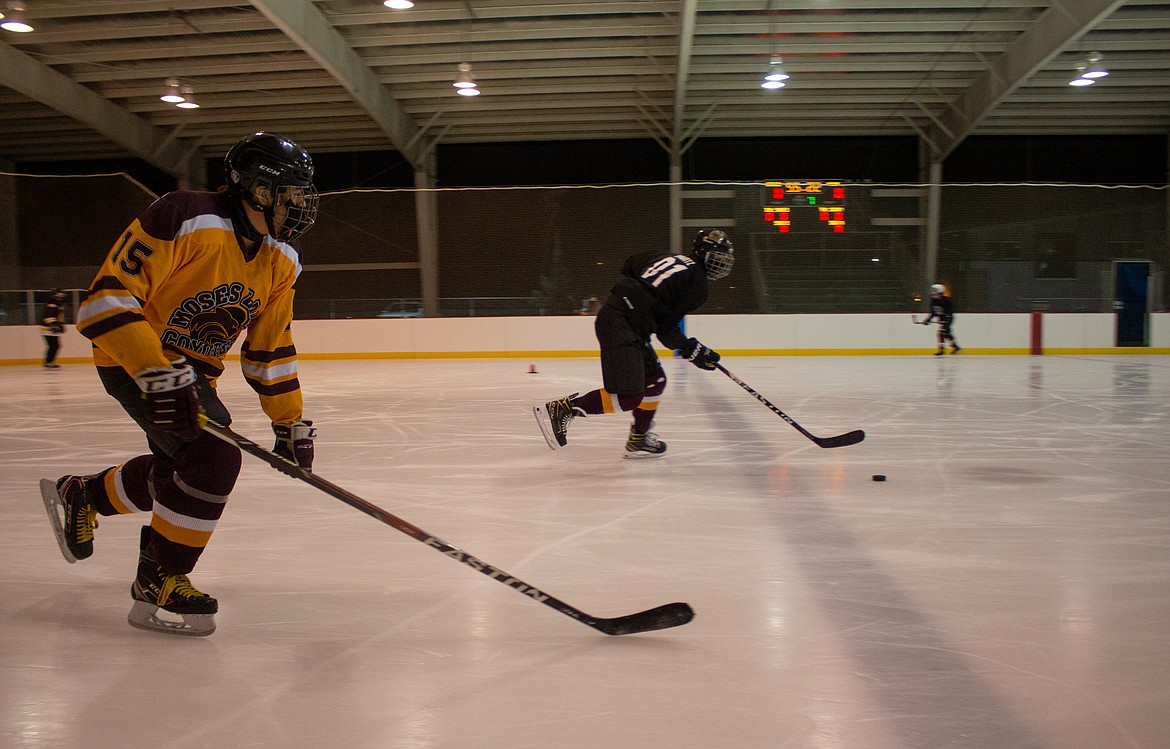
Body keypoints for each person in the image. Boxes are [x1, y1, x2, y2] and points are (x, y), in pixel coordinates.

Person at [38, 132, 320, 636]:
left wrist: (290, 421)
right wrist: (157, 375)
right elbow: (107, 299)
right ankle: (160, 577)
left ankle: (86, 494)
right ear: (252, 189)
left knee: (184, 466)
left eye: (301, 193)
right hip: (135, 358)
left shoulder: (284, 257)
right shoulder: (185, 216)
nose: (297, 205)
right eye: (287, 192)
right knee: (214, 457)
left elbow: (270, 346)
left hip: (194, 375)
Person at [533, 228, 734, 458]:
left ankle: (638, 438)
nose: (721, 263)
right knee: (628, 398)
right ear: (703, 253)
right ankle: (562, 410)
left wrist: (643, 300)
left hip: (621, 319)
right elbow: (667, 332)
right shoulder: (698, 284)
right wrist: (696, 351)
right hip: (622, 324)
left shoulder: (667, 256)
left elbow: (630, 264)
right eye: (717, 257)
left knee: (655, 381)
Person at [921, 283, 961, 355]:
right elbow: (933, 312)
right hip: (942, 319)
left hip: (948, 318)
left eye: (935, 290)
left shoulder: (946, 300)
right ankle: (955, 347)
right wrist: (928, 320)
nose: (933, 292)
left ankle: (941, 350)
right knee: (946, 333)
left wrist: (946, 319)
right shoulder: (933, 301)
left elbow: (950, 311)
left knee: (941, 333)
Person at [39, 290, 67, 368]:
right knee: (54, 345)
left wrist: (60, 325)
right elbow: (49, 316)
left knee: (54, 345)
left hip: (49, 329)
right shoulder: (52, 305)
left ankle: (49, 361)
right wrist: (53, 325)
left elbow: (59, 317)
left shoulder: (57, 305)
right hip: (48, 330)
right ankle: (49, 362)